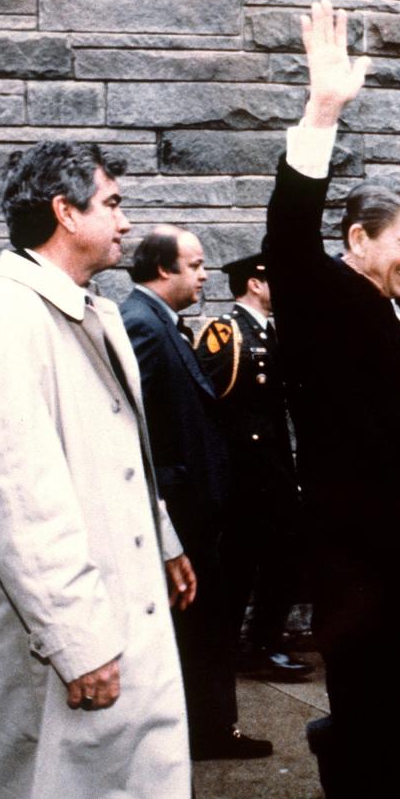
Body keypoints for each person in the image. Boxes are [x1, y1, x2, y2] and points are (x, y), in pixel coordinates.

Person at [0, 142, 195, 798]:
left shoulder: (84, 309)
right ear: (65, 213)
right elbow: (18, 500)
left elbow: (116, 449)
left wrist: (164, 539)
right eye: (113, 205)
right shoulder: (1, 321)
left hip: (115, 613)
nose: (126, 223)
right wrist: (77, 641)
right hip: (60, 647)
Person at [262, 1, 400, 798]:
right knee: (375, 734)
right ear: (358, 241)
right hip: (359, 571)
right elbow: (289, 239)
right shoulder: (324, 297)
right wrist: (321, 110)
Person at [120, 227, 272, 759]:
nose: (206, 275)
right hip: (180, 511)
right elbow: (126, 422)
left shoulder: (167, 326)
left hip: (196, 509)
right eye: (197, 265)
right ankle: (206, 731)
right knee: (202, 627)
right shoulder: (140, 324)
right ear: (165, 269)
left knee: (207, 626)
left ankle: (206, 727)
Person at [195, 250, 313, 681]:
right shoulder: (227, 333)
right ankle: (231, 649)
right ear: (256, 284)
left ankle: (263, 643)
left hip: (273, 472)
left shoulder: (272, 333)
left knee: (281, 558)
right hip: (244, 475)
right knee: (239, 565)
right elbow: (206, 404)